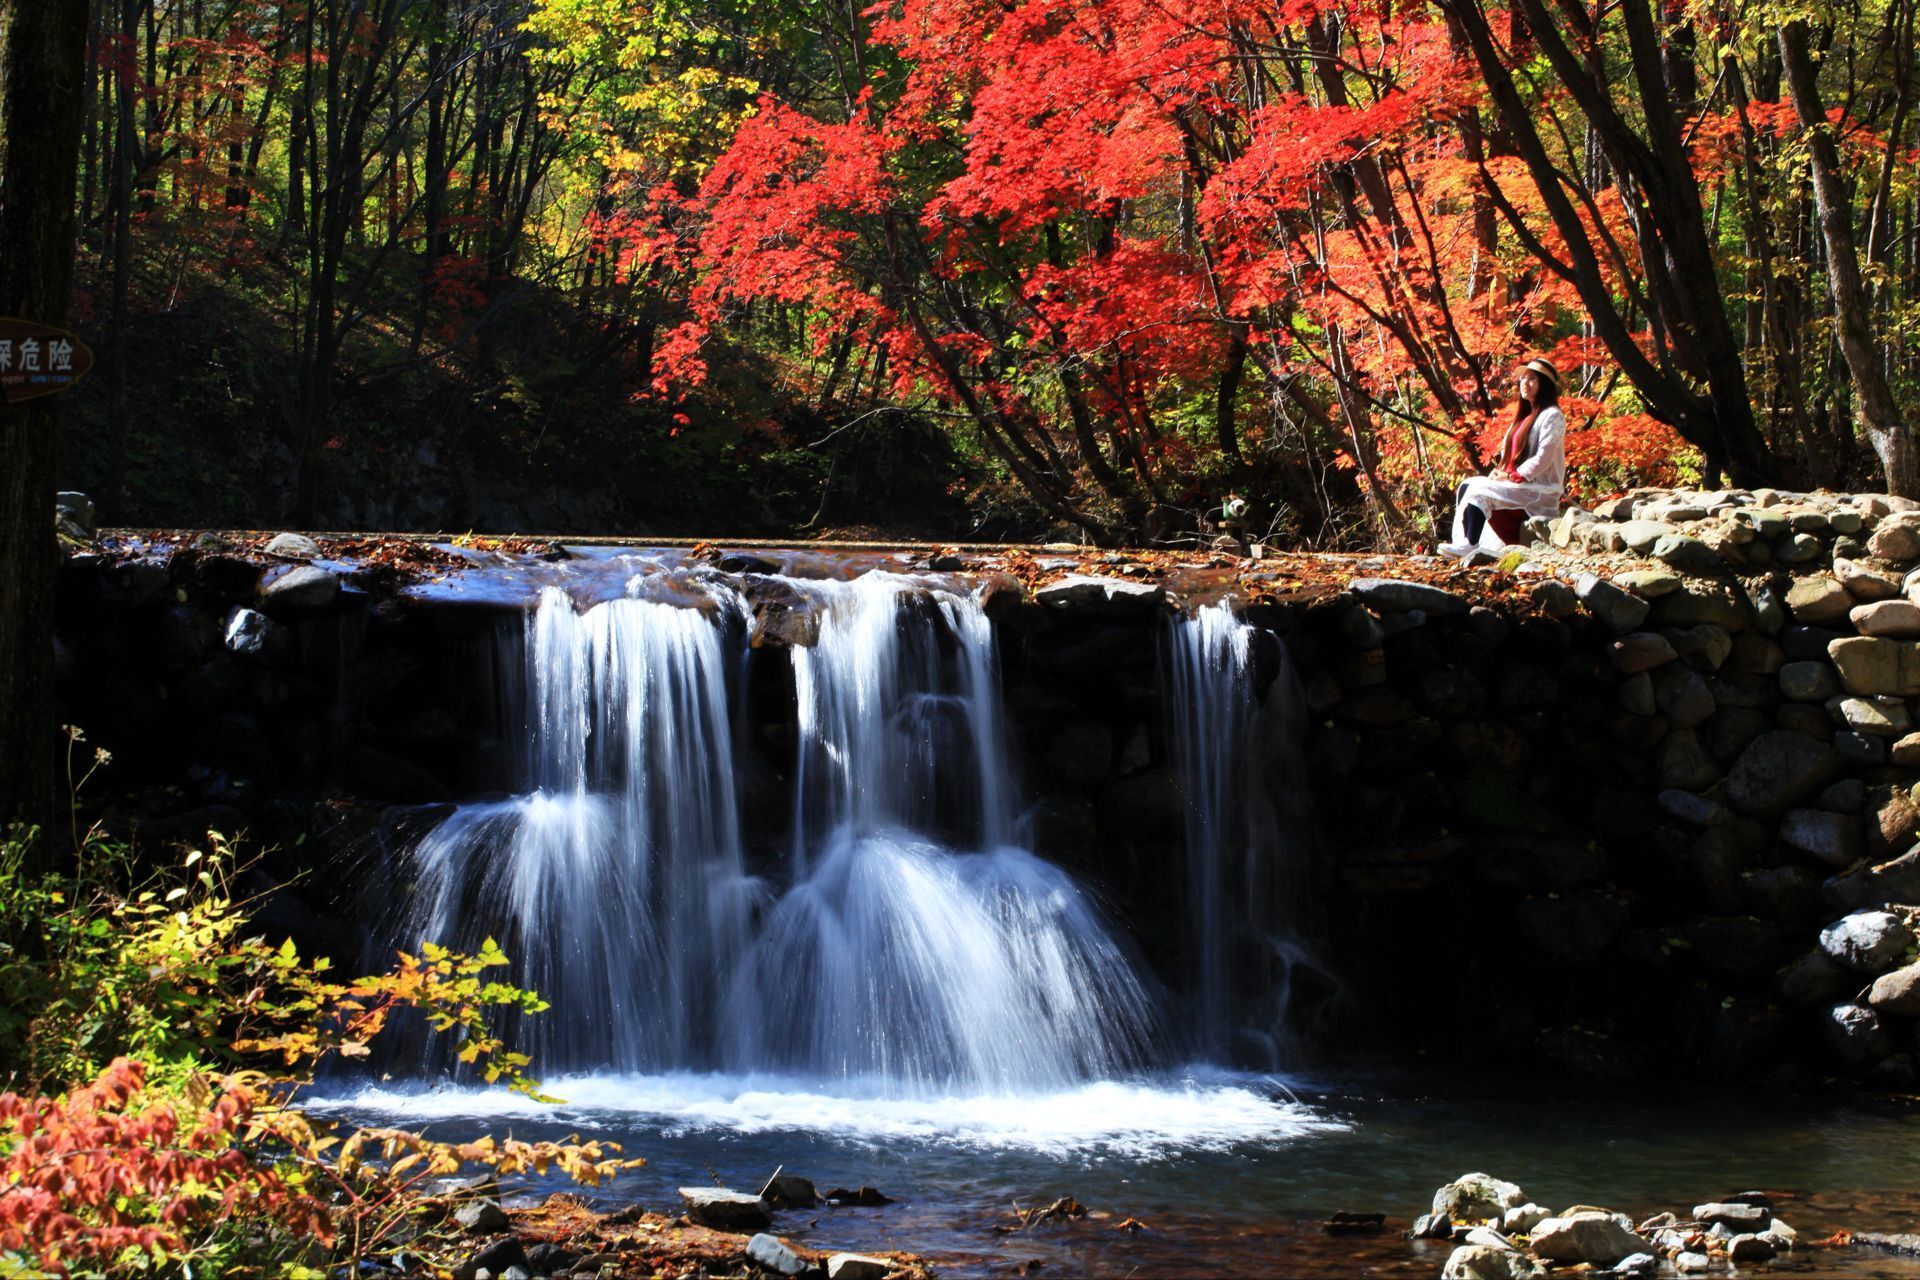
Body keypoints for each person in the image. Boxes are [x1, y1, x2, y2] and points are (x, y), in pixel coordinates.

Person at [1440, 357, 1567, 559]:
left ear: (1545, 385)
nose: (1525, 383)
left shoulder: (1552, 416)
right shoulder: (1523, 418)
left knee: (1479, 492)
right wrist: (1501, 472)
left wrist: (1511, 477)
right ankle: (1464, 541)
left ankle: (1470, 544)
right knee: (1467, 485)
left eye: (1532, 379)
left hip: (1539, 490)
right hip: (1519, 484)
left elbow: (1543, 458)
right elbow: (1509, 456)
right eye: (1523, 379)